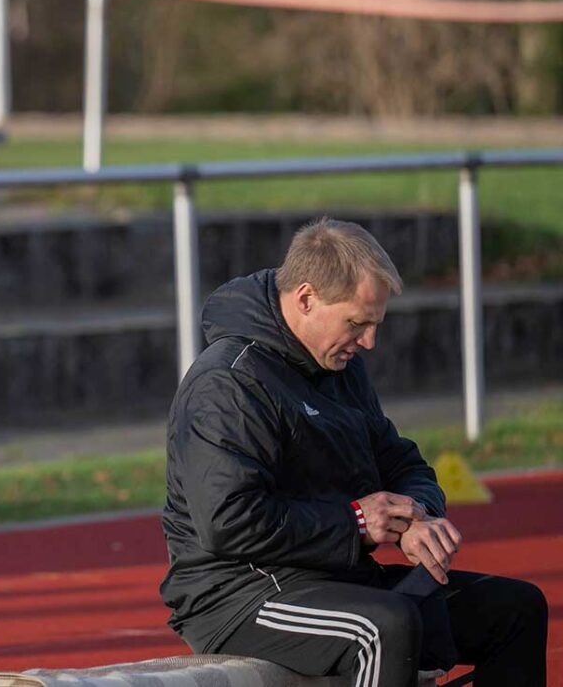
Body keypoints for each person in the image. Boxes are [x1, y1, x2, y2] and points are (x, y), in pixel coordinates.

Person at [160, 218, 547, 686]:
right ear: (306, 299)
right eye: (357, 323)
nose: (369, 342)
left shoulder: (339, 367)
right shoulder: (229, 382)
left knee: (518, 609)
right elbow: (228, 522)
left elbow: (401, 462)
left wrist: (415, 518)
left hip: (333, 577)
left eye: (375, 324)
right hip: (237, 594)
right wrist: (358, 523)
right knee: (381, 629)